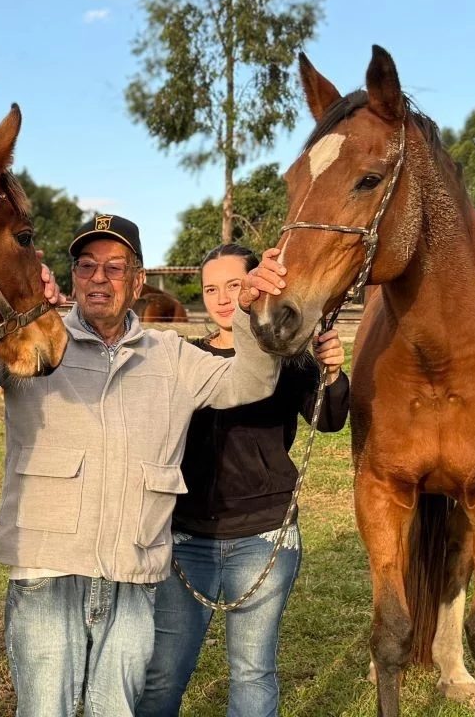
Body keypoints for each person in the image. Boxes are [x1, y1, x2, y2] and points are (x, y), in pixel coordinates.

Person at [0, 215, 287, 717]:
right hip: (48, 569)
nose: (98, 278)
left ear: (139, 281)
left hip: (132, 572)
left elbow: (251, 382)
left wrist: (251, 316)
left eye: (114, 267)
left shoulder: (171, 356)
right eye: (86, 266)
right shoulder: (38, 338)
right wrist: (12, 295)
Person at [137, 243, 350, 717]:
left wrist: (333, 374)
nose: (222, 298)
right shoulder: (184, 359)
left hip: (263, 535)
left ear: (258, 285)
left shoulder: (287, 359)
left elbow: (330, 419)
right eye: (211, 288)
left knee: (252, 671)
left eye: (234, 285)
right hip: (186, 537)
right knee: (164, 671)